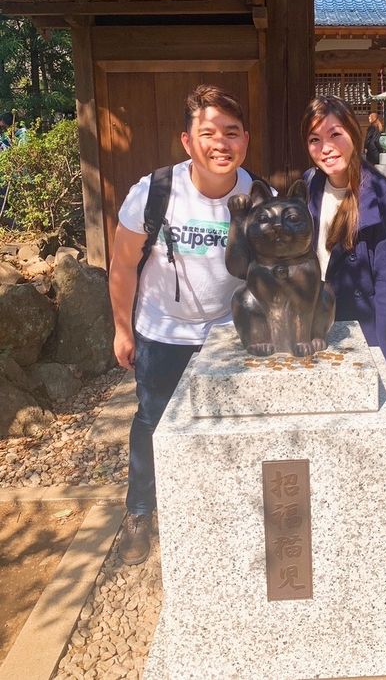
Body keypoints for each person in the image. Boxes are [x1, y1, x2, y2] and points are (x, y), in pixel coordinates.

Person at [109, 84, 256, 565]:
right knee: (152, 423)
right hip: (163, 331)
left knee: (228, 426)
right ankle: (140, 513)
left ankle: (220, 510)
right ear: (187, 141)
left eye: (231, 133)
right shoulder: (155, 192)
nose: (221, 143)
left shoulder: (257, 196)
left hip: (229, 337)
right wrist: (123, 329)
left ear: (245, 141)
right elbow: (123, 263)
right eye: (208, 132)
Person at [301, 95, 386, 385]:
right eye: (314, 139)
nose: (325, 148)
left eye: (335, 135)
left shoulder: (383, 197)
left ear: (354, 133)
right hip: (320, 323)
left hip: (365, 327)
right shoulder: (310, 184)